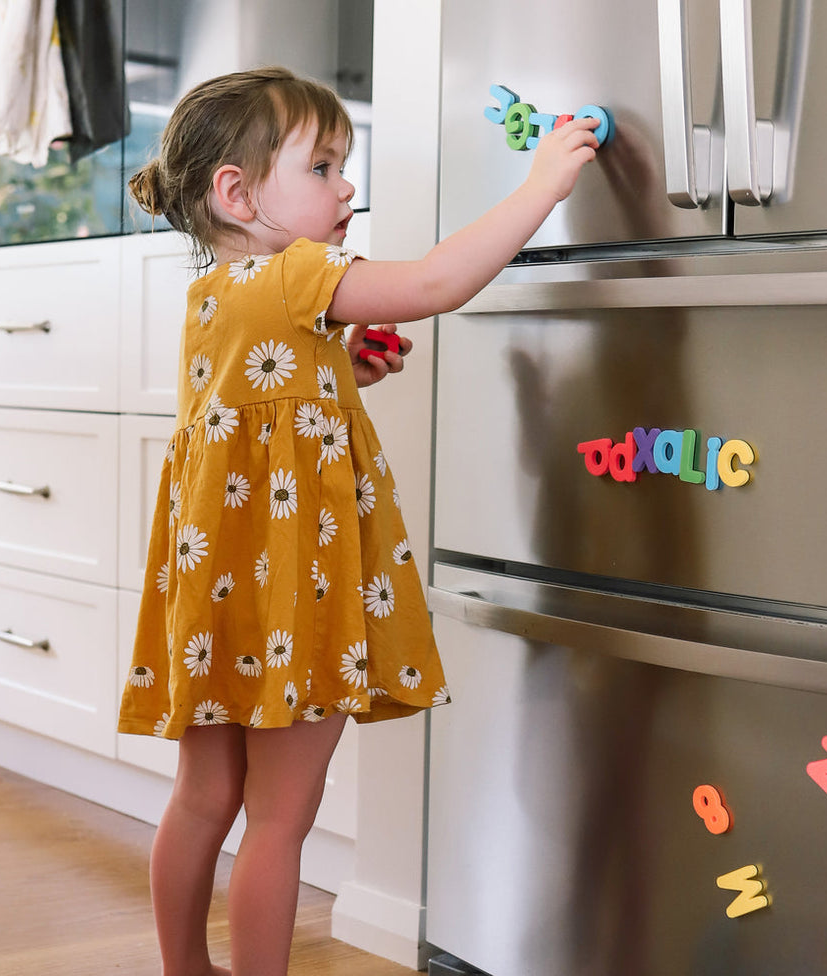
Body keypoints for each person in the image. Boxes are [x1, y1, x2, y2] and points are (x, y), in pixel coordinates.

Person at [117, 65, 599, 976]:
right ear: (239, 192)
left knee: (202, 797)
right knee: (283, 817)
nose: (347, 188)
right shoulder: (299, 273)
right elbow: (433, 283)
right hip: (289, 591)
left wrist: (341, 370)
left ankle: (185, 970)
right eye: (325, 166)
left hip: (215, 592)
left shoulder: (217, 292)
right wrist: (541, 183)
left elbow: (262, 415)